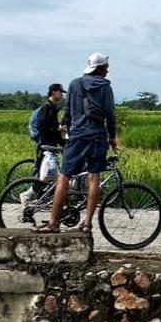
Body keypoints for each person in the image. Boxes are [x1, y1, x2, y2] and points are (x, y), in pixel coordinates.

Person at [39, 53, 118, 234]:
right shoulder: (106, 87)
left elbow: (67, 112)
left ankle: (53, 223)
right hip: (98, 136)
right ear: (99, 69)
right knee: (94, 178)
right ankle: (87, 224)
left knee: (64, 177)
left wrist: (64, 125)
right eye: (105, 67)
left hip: (77, 136)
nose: (107, 70)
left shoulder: (75, 84)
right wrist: (112, 137)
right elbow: (111, 115)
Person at [33, 83, 67, 180]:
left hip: (52, 143)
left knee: (49, 172)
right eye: (61, 92)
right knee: (42, 173)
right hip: (45, 144)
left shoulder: (53, 107)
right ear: (54, 92)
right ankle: (31, 193)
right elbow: (41, 127)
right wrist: (57, 129)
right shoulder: (46, 107)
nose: (62, 95)